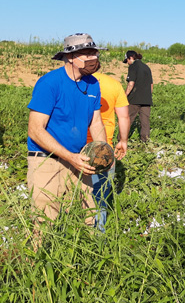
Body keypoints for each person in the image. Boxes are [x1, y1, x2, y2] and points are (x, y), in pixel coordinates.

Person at [27, 33, 107, 241]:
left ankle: (87, 260)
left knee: (88, 214)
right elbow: (36, 129)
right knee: (45, 221)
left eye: (94, 53)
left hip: (80, 159)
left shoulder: (93, 85)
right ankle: (40, 266)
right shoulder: (50, 83)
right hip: (47, 160)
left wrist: (102, 150)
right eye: (86, 53)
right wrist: (69, 157)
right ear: (70, 57)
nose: (93, 58)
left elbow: (96, 122)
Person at [86, 72, 130, 232]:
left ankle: (76, 233)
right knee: (100, 194)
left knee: (73, 192)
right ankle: (98, 235)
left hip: (77, 147)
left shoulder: (77, 82)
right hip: (104, 148)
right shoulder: (113, 84)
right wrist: (123, 141)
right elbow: (124, 117)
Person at [123, 50, 153, 143]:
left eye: (127, 60)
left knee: (128, 119)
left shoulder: (133, 66)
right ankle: (145, 141)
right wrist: (148, 96)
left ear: (130, 58)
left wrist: (124, 96)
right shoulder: (146, 67)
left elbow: (131, 83)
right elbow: (151, 85)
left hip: (134, 99)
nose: (127, 63)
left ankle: (122, 140)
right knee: (145, 122)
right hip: (146, 99)